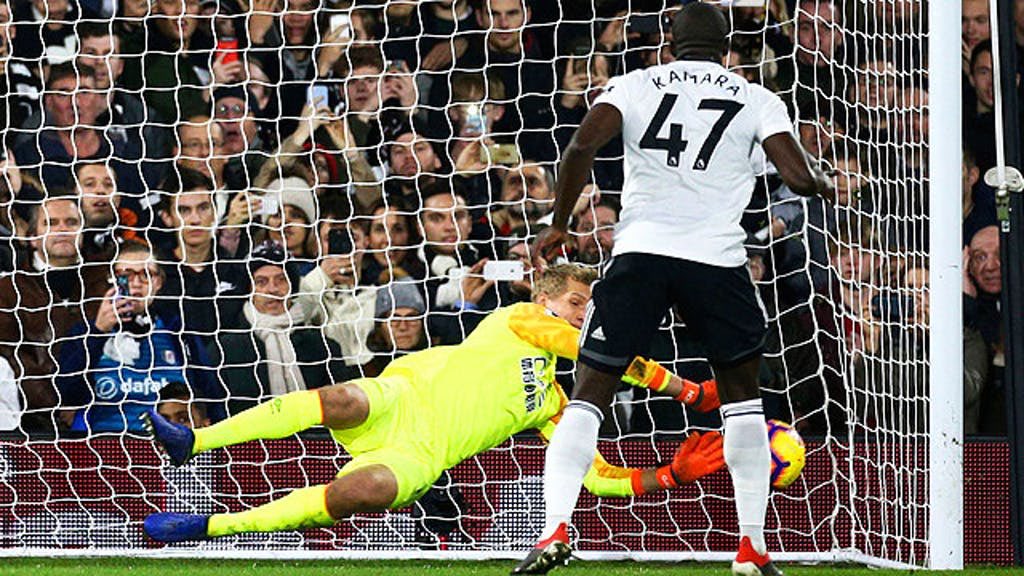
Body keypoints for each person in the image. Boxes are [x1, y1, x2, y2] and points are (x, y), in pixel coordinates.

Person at [513, 4, 833, 575]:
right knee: (742, 403)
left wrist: (559, 222)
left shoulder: (635, 84)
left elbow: (582, 146)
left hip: (641, 254)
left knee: (588, 395)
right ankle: (751, 549)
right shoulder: (756, 97)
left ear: (669, 43)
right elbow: (797, 177)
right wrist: (823, 181)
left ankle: (554, 529)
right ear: (726, 47)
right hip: (717, 262)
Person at [140, 264, 725, 542]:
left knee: (364, 491)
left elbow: (594, 477)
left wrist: (668, 475)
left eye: (588, 308)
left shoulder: (551, 402)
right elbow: (591, 351)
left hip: (422, 453)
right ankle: (194, 439)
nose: (583, 315)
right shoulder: (518, 319)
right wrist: (687, 391)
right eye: (576, 303)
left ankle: (208, 526)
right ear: (547, 301)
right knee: (343, 399)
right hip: (401, 397)